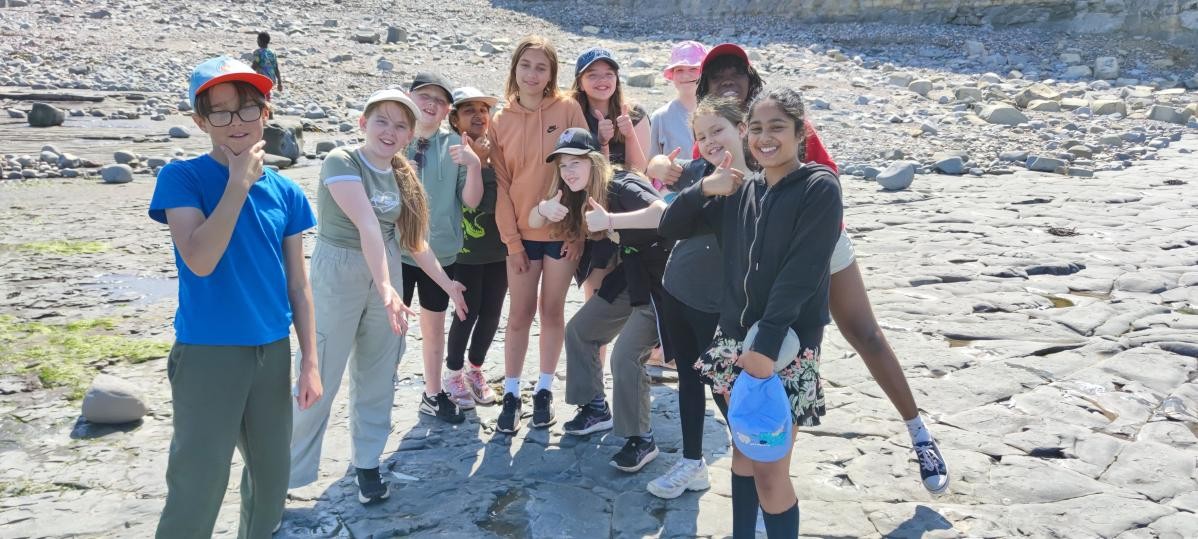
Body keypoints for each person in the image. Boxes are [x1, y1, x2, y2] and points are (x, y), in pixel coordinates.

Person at [659, 42, 950, 496]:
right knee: (768, 361)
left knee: (864, 334)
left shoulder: (783, 119)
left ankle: (918, 433)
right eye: (718, 75)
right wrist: (669, 171)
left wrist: (801, 238)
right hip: (758, 257)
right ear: (707, 88)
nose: (728, 80)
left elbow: (826, 179)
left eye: (736, 71)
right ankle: (768, 480)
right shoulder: (715, 134)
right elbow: (696, 192)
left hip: (818, 242)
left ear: (751, 79)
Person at [149, 56, 321, 538]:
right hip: (209, 351)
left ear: (265, 113)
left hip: (272, 350)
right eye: (220, 112)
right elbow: (201, 259)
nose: (236, 121)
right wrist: (239, 183)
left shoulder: (286, 192)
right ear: (200, 121)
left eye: (247, 108)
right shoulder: (182, 178)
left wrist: (310, 361)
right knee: (199, 481)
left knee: (271, 479)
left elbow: (298, 284)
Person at [659, 87, 842, 539]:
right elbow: (669, 226)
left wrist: (765, 347)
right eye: (756, 128)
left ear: (799, 132)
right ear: (746, 133)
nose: (765, 137)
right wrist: (704, 187)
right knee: (743, 455)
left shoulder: (819, 187)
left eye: (777, 127)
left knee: (770, 472)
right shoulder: (742, 191)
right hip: (735, 344)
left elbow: (801, 272)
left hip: (784, 348)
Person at [288, 89, 466, 505]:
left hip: (386, 274)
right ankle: (285, 473)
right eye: (381, 121)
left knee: (379, 372)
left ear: (410, 135)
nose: (390, 131)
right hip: (340, 270)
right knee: (319, 373)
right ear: (363, 123)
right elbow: (367, 224)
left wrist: (447, 284)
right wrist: (386, 286)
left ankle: (367, 464)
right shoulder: (342, 161)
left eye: (401, 125)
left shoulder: (404, 175)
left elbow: (415, 241)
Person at [529, 128, 671, 472]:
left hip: (663, 280)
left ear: (594, 161)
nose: (568, 171)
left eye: (576, 163)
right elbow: (533, 220)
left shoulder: (621, 184)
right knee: (580, 331)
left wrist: (610, 220)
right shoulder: (574, 193)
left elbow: (662, 212)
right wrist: (544, 207)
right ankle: (595, 408)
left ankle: (641, 439)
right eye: (563, 165)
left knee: (625, 355)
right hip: (631, 272)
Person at [643, 96, 746, 499]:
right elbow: (668, 222)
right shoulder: (700, 172)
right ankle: (692, 463)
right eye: (701, 136)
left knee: (724, 386)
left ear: (742, 128)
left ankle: (755, 464)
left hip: (719, 306)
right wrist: (694, 182)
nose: (709, 141)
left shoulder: (759, 182)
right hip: (677, 291)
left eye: (718, 130)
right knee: (688, 377)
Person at [490, 35, 588, 433]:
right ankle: (512, 393)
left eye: (541, 67)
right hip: (522, 236)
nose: (532, 74)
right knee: (519, 314)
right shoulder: (501, 120)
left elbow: (587, 170)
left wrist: (578, 231)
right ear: (514, 68)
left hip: (563, 234)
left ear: (552, 74)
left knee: (552, 311)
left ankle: (544, 389)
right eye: (526, 65)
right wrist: (512, 242)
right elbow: (501, 187)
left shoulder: (568, 109)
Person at [400, 72, 483, 424]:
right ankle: (377, 391)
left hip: (442, 252)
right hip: (396, 253)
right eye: (425, 96)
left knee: (434, 326)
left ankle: (433, 393)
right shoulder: (394, 137)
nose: (431, 105)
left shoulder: (455, 145)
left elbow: (471, 201)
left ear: (448, 109)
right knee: (389, 328)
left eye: (440, 100)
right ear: (409, 97)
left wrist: (474, 165)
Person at [442, 86, 505, 409]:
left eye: (484, 110)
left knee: (492, 312)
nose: (479, 116)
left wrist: (486, 161)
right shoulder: (451, 152)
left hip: (499, 248)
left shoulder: (497, 149)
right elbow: (480, 202)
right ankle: (453, 373)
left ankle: (475, 369)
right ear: (455, 119)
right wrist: (478, 164)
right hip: (464, 251)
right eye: (469, 111)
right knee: (467, 312)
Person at [571, 47, 651, 175]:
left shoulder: (635, 114)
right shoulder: (571, 114)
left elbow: (639, 172)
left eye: (609, 74)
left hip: (627, 185)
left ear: (616, 79)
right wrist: (601, 143)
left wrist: (630, 135)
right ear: (580, 83)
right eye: (592, 75)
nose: (602, 80)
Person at [649, 41, 706, 159]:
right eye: (679, 70)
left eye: (693, 69)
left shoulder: (720, 113)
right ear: (672, 75)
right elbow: (649, 164)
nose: (686, 75)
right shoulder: (660, 118)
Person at [250, 32, 282, 97]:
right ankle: (267, 102)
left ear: (260, 41)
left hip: (262, 78)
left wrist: (248, 72)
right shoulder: (272, 52)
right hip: (271, 79)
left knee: (261, 95)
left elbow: (255, 64)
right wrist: (279, 82)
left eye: (257, 39)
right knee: (267, 94)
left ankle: (264, 103)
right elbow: (276, 68)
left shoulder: (257, 52)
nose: (257, 41)